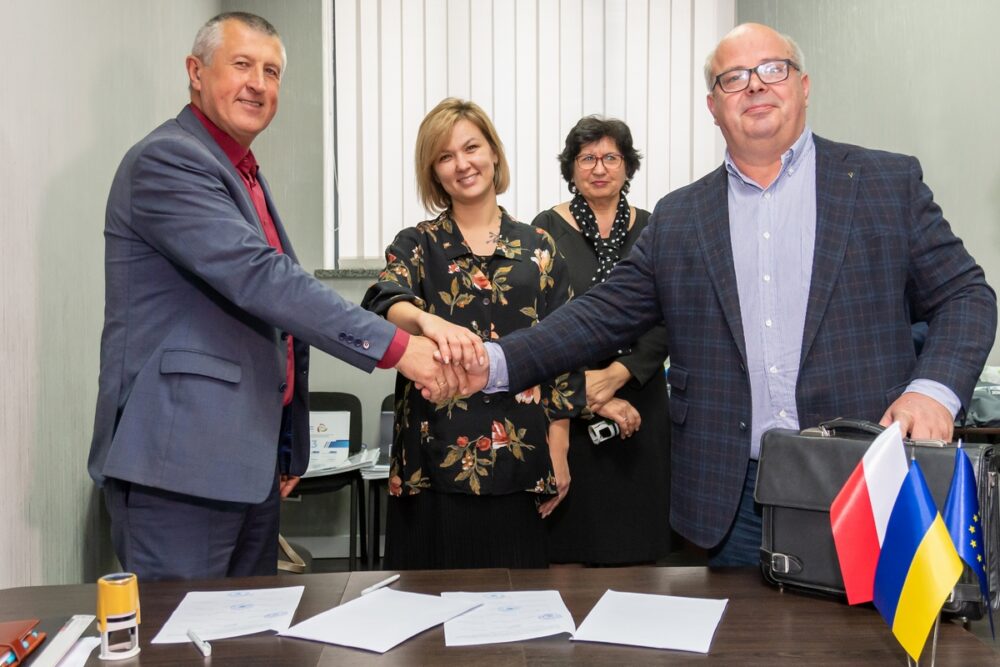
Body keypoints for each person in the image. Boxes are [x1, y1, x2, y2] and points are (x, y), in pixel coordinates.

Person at [466, 23, 997, 567]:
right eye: (734, 78)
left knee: (870, 626)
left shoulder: (886, 183)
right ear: (713, 107)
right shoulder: (680, 216)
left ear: (804, 86)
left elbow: (965, 295)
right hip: (734, 499)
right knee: (743, 625)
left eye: (773, 69)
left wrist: (932, 392)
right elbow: (598, 316)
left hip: (868, 474)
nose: (756, 85)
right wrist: (493, 362)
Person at [89, 12, 469, 581]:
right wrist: (398, 348)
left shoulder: (241, 172)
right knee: (181, 630)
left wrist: (285, 446)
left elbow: (273, 323)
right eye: (242, 64)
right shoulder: (168, 160)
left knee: (248, 627)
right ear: (196, 72)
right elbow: (263, 279)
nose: (258, 84)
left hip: (247, 463)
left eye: (271, 72)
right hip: (180, 467)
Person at [361, 98, 583, 569]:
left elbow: (565, 351)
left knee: (515, 605)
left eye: (471, 148)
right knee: (425, 605)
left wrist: (559, 448)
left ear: (494, 153)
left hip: (521, 456)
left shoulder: (539, 248)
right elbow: (383, 302)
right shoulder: (417, 243)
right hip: (431, 459)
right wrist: (428, 321)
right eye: (445, 156)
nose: (462, 164)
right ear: (434, 172)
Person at [531, 117, 671, 565]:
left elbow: (671, 312)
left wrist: (618, 374)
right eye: (587, 158)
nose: (599, 168)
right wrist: (591, 390)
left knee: (640, 550)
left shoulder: (655, 227)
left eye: (611, 157)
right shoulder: (543, 229)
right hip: (570, 402)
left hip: (642, 395)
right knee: (570, 549)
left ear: (627, 166)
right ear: (571, 168)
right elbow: (540, 323)